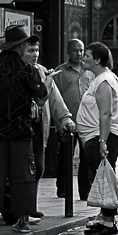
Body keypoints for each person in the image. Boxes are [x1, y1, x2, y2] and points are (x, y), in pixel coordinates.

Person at [0, 25, 57, 235]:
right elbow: (40, 96)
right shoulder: (28, 69)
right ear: (19, 46)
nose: (28, 46)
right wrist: (48, 81)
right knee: (22, 174)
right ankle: (23, 220)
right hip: (20, 129)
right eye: (26, 43)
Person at [23, 36, 75, 218]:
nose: (35, 54)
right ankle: (23, 209)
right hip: (20, 127)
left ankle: (30, 205)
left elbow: (54, 97)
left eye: (37, 50)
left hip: (38, 127)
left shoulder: (43, 71)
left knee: (38, 166)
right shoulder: (19, 70)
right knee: (23, 169)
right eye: (31, 50)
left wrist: (65, 118)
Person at [76, 42, 118, 235]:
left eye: (87, 55)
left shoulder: (104, 80)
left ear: (97, 59)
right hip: (95, 136)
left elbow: (105, 113)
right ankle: (105, 219)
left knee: (104, 177)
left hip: (101, 136)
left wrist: (102, 141)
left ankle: (109, 221)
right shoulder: (101, 78)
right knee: (102, 177)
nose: (83, 58)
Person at [54, 39, 94, 200]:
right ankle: (62, 188)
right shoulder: (60, 72)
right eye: (75, 50)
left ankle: (85, 190)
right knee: (65, 156)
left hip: (87, 122)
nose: (79, 54)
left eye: (81, 50)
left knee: (86, 158)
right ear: (68, 52)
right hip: (67, 122)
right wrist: (59, 121)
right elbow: (54, 97)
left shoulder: (90, 71)